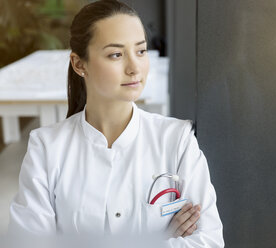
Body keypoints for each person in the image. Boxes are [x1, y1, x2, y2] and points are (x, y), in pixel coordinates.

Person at [7, 0, 224, 247]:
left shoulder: (177, 140)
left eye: (140, 51)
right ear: (79, 64)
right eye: (116, 54)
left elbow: (209, 241)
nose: (134, 68)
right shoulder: (47, 148)